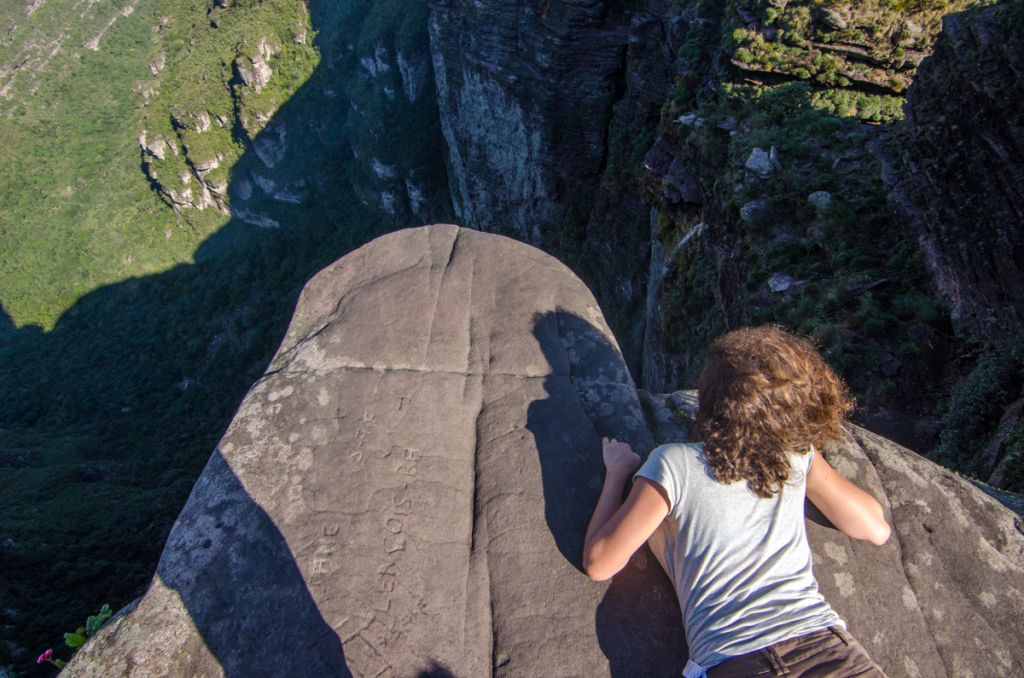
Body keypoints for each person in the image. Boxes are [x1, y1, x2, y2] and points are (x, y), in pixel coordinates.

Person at [583, 325, 891, 678]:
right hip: (830, 652)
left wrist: (617, 475)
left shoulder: (674, 464)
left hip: (737, 662)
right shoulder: (794, 454)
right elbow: (876, 529)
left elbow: (600, 563)